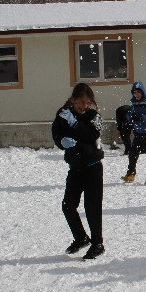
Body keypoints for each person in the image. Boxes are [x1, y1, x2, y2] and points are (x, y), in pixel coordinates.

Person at [52, 83, 105, 260]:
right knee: (68, 206)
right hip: (75, 168)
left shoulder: (93, 115)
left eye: (88, 102)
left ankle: (98, 244)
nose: (84, 106)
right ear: (73, 100)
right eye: (81, 102)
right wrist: (61, 141)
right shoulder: (63, 114)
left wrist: (75, 124)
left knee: (92, 208)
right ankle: (81, 237)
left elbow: (92, 135)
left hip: (93, 167)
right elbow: (56, 133)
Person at [121, 81, 146, 185]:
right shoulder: (134, 103)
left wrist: (141, 117)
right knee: (133, 153)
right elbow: (129, 114)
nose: (137, 94)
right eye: (135, 92)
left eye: (139, 92)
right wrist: (130, 118)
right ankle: (131, 173)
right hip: (138, 132)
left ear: (143, 92)